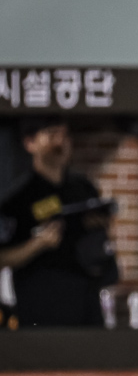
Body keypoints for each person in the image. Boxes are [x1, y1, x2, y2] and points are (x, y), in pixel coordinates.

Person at [0, 116, 117, 327]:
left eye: (65, 135)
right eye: (52, 135)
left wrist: (95, 224)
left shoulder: (82, 188)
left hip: (85, 293)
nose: (60, 142)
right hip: (41, 298)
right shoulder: (19, 199)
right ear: (30, 143)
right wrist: (37, 245)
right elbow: (3, 257)